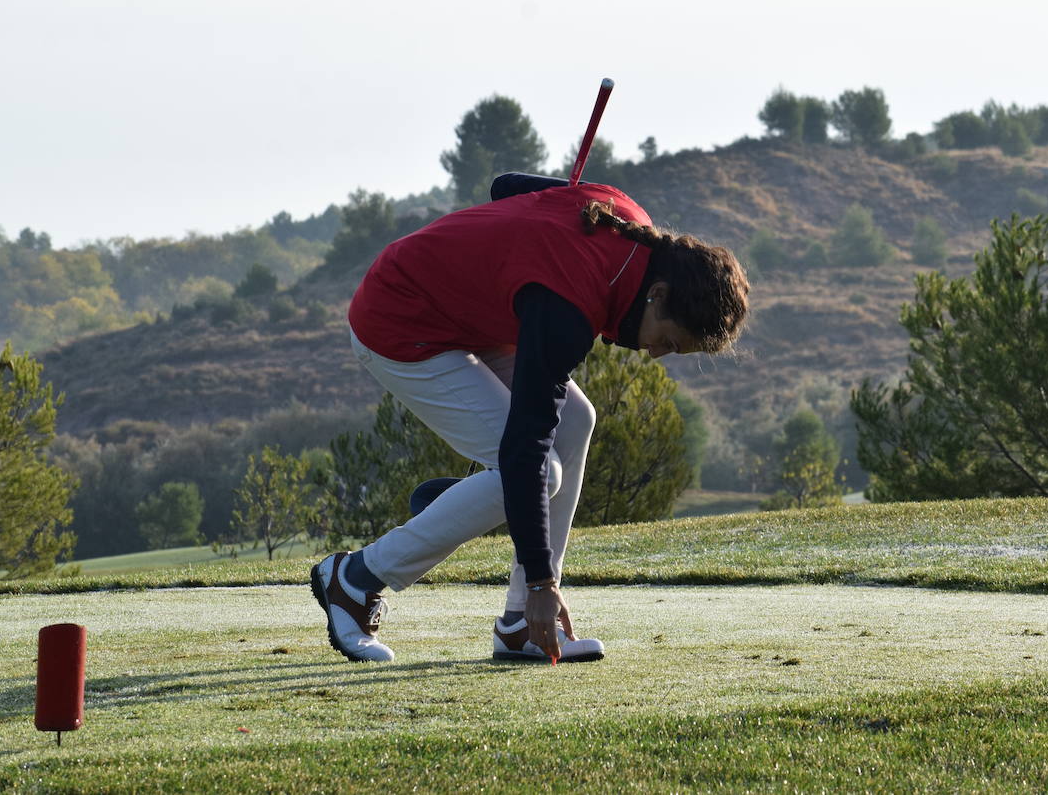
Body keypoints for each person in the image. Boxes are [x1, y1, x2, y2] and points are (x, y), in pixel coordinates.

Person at [311, 172, 750, 664]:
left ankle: (521, 621)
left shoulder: (625, 220)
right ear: (659, 294)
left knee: (577, 419)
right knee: (540, 474)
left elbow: (505, 186)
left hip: (470, 317)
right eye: (667, 340)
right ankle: (354, 578)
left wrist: (545, 217)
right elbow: (524, 450)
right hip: (397, 320)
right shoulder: (568, 309)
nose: (654, 354)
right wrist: (542, 579)